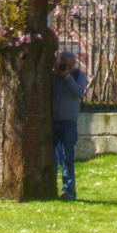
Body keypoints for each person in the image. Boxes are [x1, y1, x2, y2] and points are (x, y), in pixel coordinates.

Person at [52, 49, 86, 201]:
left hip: (69, 122)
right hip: (53, 121)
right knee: (52, 157)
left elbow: (79, 92)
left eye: (71, 66)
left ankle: (69, 190)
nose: (68, 68)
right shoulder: (55, 76)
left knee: (68, 158)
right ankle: (50, 187)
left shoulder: (79, 75)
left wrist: (68, 77)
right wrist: (55, 74)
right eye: (65, 65)